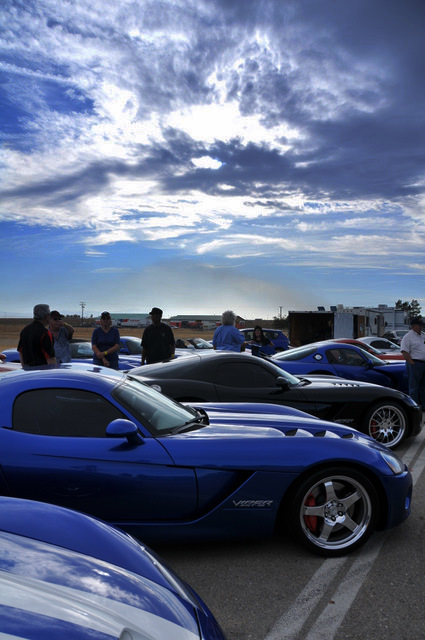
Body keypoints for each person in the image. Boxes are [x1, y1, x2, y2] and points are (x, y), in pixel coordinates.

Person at [400, 317, 425, 411]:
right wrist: (412, 363)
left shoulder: (423, 335)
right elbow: (404, 351)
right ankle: (415, 407)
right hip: (415, 363)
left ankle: (423, 406)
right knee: (414, 387)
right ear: (414, 326)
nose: (421, 327)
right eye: (419, 325)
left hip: (423, 363)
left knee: (424, 387)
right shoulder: (408, 337)